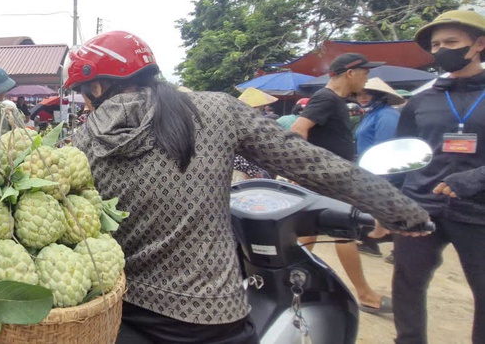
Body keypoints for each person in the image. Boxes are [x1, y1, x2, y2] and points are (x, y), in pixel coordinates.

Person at [66, 31, 430, 343]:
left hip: (124, 311)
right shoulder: (217, 109)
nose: (86, 99)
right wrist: (398, 210)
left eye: (83, 91)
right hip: (214, 312)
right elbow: (310, 163)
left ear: (97, 86)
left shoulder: (81, 142)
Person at [390, 10, 485, 344]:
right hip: (421, 207)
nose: (442, 49)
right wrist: (390, 205)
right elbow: (400, 155)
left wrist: (474, 180)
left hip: (478, 213)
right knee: (407, 285)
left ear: (479, 44)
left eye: (452, 42)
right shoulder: (421, 101)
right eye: (436, 44)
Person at [290, 53, 394, 314]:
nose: (366, 79)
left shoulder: (336, 101)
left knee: (308, 234)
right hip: (330, 180)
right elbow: (298, 129)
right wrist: (305, 168)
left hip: (329, 179)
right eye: (365, 73)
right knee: (344, 233)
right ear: (350, 73)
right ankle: (365, 294)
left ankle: (290, 285)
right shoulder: (326, 98)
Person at [353, 78, 405, 258]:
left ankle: (400, 252)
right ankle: (371, 243)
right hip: (369, 169)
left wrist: (381, 177)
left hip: (382, 171)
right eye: (359, 93)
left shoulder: (387, 115)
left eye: (368, 93)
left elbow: (386, 147)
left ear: (379, 95)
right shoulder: (371, 114)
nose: (363, 97)